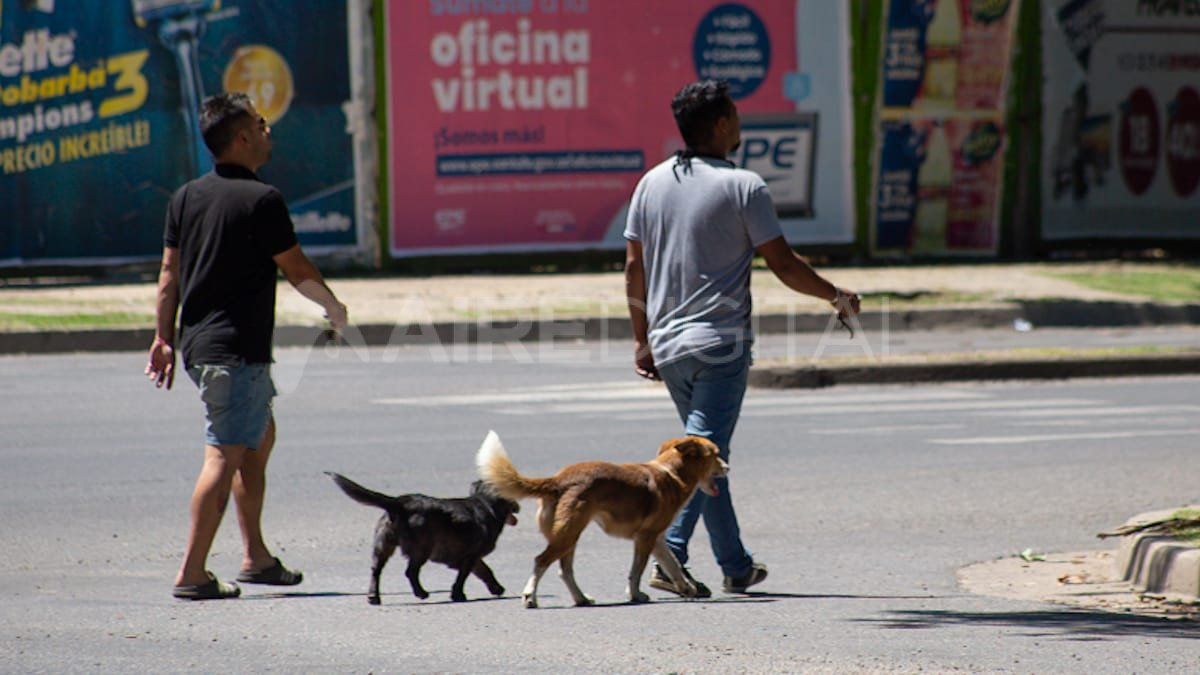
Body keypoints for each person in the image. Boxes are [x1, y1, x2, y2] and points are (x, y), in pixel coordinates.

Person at [624, 80, 861, 596]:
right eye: (734, 113)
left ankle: (735, 566)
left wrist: (641, 339)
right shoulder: (744, 186)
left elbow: (633, 268)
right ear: (721, 124)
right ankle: (673, 556)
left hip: (668, 348)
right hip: (720, 346)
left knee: (712, 454)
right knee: (701, 458)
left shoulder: (651, 183)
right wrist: (835, 295)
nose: (739, 122)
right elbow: (784, 264)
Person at [146, 92, 349, 600]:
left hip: (202, 347)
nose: (267, 131)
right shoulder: (263, 200)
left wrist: (163, 338)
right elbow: (297, 268)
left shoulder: (186, 196)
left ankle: (255, 558)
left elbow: (169, 273)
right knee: (224, 454)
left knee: (256, 442)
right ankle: (192, 572)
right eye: (260, 124)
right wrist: (334, 307)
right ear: (240, 138)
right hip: (234, 351)